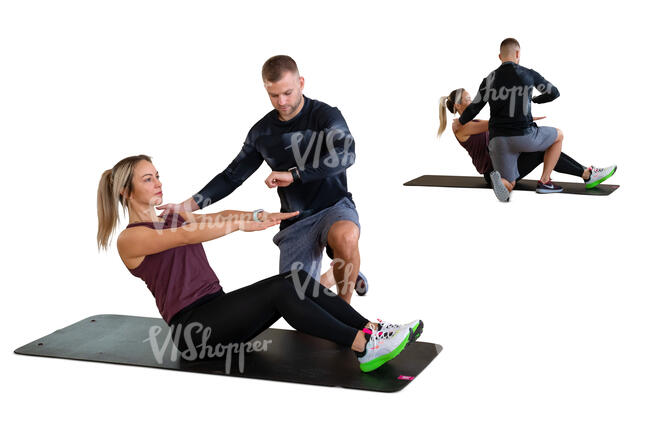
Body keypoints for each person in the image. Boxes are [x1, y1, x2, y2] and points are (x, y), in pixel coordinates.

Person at [96, 155, 423, 372]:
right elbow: (187, 236)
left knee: (295, 279)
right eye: (148, 179)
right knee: (283, 288)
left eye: (157, 176)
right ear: (126, 191)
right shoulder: (131, 238)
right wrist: (238, 226)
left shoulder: (171, 216)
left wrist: (254, 216)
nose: (158, 183)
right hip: (192, 330)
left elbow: (216, 216)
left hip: (218, 313)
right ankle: (363, 346)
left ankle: (370, 330)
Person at [158, 55, 366, 303]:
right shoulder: (262, 132)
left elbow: (346, 154)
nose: (282, 102)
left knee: (346, 236)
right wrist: (186, 207)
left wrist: (295, 175)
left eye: (288, 93)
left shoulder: (326, 116)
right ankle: (334, 274)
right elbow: (231, 176)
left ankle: (348, 310)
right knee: (297, 304)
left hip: (334, 207)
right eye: (274, 95)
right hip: (295, 219)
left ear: (301, 82)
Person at [458, 38, 567, 202]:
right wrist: (536, 99)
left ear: (499, 56)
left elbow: (474, 108)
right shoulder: (528, 74)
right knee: (558, 135)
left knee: (510, 182)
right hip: (524, 137)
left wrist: (460, 123)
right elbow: (554, 93)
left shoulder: (489, 79)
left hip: (497, 141)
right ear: (517, 54)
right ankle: (545, 181)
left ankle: (501, 182)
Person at [438, 88, 617, 188]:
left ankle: (586, 173)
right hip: (495, 174)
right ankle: (586, 174)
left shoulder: (472, 121)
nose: (474, 102)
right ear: (458, 105)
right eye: (469, 99)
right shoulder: (459, 126)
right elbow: (494, 123)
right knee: (542, 149)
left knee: (542, 144)